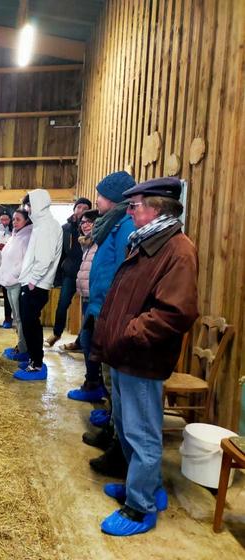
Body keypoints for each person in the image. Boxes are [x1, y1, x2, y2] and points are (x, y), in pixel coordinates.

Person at [92, 177, 198, 537]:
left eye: (135, 206)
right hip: (126, 355)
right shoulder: (148, 242)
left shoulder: (177, 250)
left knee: (142, 433)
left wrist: (129, 332)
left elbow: (176, 313)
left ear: (156, 207)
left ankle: (140, 509)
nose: (131, 211)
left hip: (142, 356)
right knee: (125, 427)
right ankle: (145, 485)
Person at [74, 172, 137, 479]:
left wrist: (109, 309)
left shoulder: (124, 226)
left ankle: (117, 447)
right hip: (100, 306)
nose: (96, 200)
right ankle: (111, 432)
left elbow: (122, 274)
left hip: (112, 311)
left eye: (100, 195)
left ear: (114, 197)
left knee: (113, 379)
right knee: (108, 378)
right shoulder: (111, 224)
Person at [12, 189, 63, 381]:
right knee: (28, 323)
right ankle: (33, 358)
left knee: (31, 324)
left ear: (39, 204)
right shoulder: (41, 225)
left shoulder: (48, 226)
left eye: (29, 205)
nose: (28, 209)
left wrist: (33, 280)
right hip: (34, 282)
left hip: (37, 284)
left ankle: (37, 365)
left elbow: (44, 259)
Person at [45, 197, 92, 348]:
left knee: (87, 309)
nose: (82, 210)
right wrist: (57, 276)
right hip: (70, 273)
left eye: (85, 207)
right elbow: (60, 254)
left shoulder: (93, 228)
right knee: (63, 303)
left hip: (88, 274)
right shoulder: (65, 228)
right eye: (79, 207)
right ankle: (56, 333)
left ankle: (80, 341)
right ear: (74, 209)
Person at [67, 209, 102, 401]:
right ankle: (92, 382)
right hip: (87, 296)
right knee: (88, 342)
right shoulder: (87, 243)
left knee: (91, 342)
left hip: (96, 298)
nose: (85, 225)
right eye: (83, 222)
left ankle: (94, 385)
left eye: (89, 221)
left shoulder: (100, 242)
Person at [0, 208, 33, 362]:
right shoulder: (15, 235)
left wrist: (13, 274)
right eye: (13, 219)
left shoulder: (27, 237)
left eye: (18, 219)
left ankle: (24, 349)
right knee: (17, 318)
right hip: (9, 281)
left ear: (26, 221)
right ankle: (21, 345)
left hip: (17, 282)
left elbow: (26, 262)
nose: (14, 222)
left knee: (20, 317)